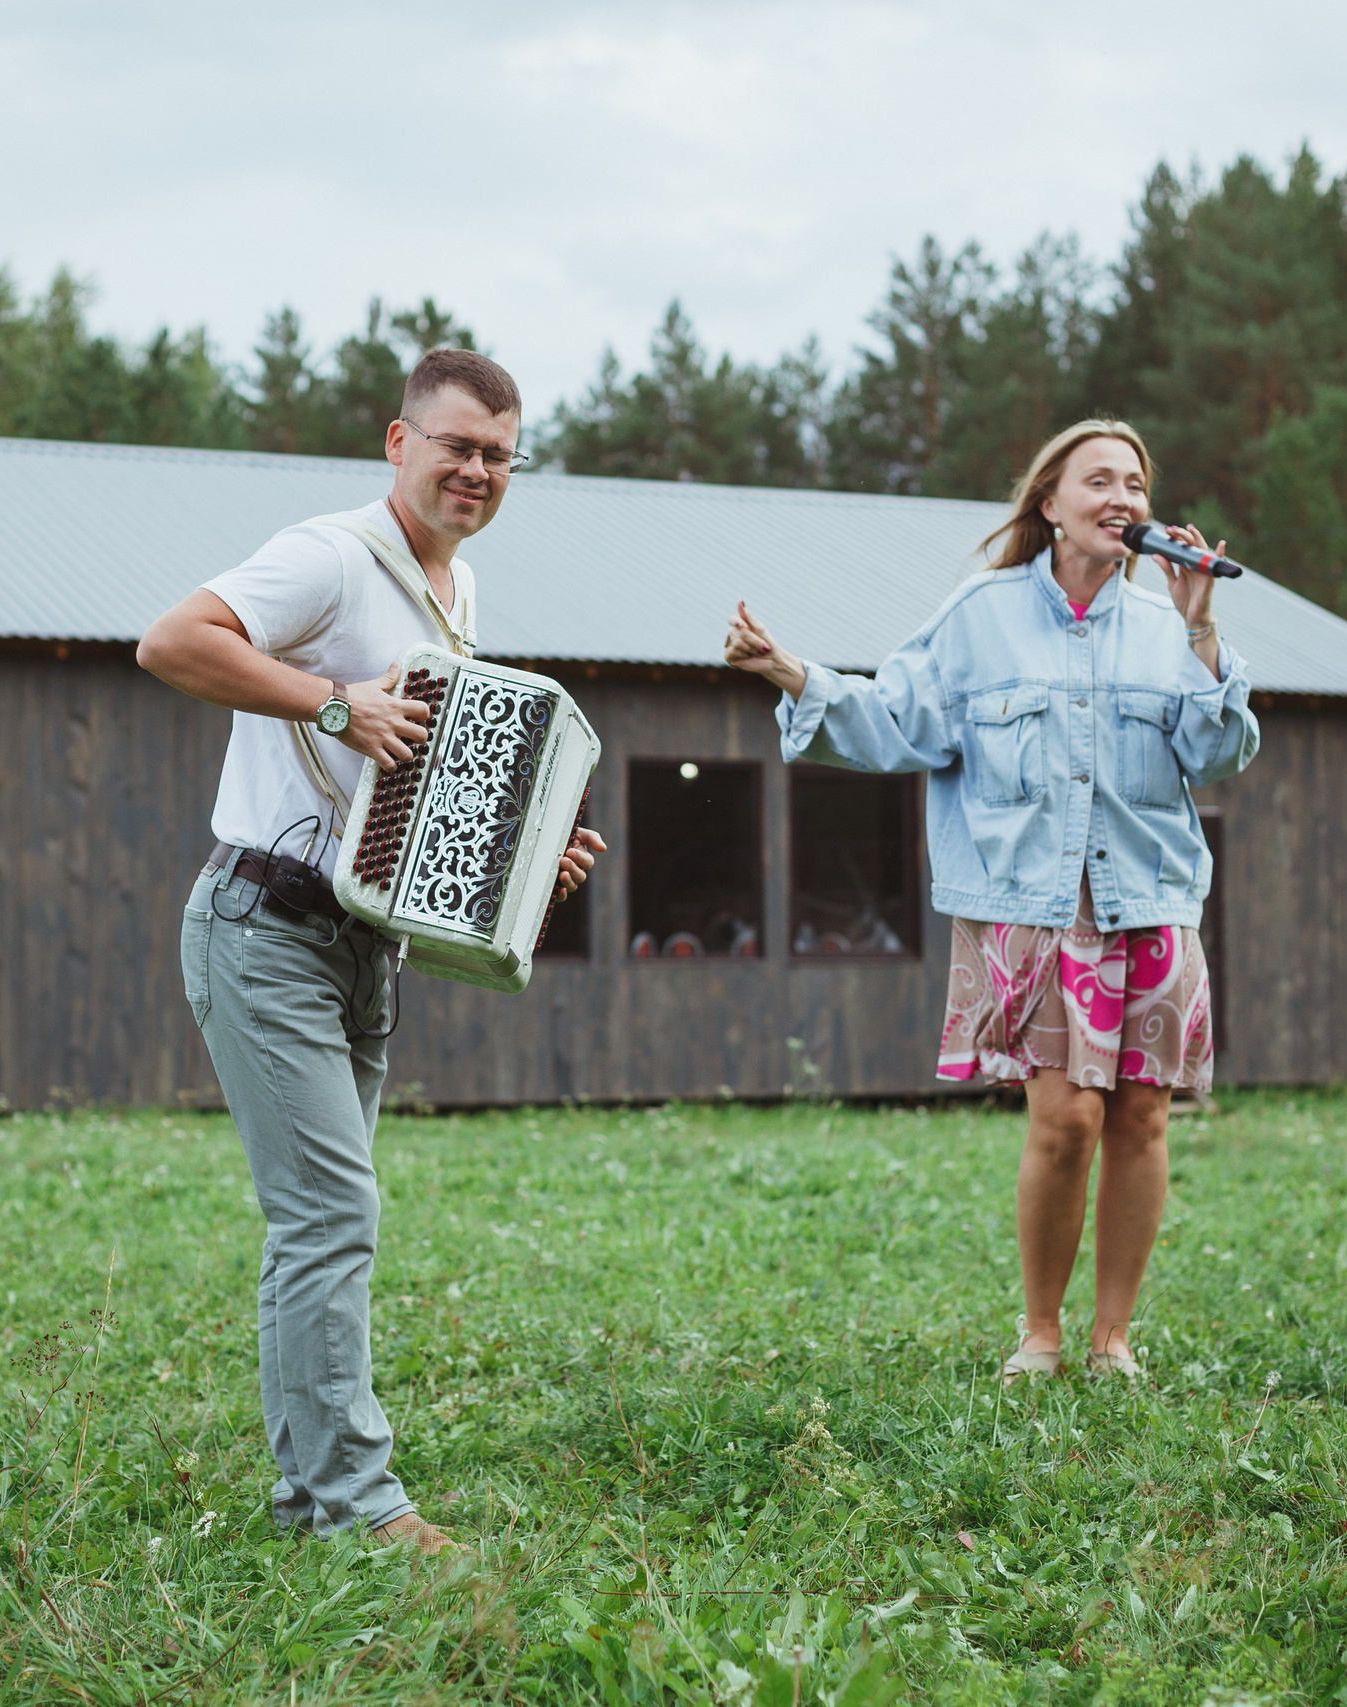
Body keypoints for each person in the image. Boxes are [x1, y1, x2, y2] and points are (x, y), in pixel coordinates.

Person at [136, 348, 604, 1551]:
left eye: (498, 454)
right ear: (400, 443)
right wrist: (331, 700)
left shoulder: (456, 596)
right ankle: (358, 1505)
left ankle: (309, 1501)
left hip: (360, 944)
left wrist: (527, 854)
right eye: (455, 445)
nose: (477, 470)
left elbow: (415, 791)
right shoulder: (334, 555)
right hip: (262, 924)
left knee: (316, 1223)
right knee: (331, 1215)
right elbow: (172, 642)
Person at [724, 420, 1258, 1382]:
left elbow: (1219, 754)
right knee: (1067, 1119)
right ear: (1050, 503)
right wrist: (791, 672)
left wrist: (1202, 625)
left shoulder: (1169, 626)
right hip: (1034, 907)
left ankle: (1113, 1341)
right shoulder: (981, 614)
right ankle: (1042, 1334)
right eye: (1100, 480)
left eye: (1136, 483)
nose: (1123, 499)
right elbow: (896, 722)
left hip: (1152, 902)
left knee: (1142, 1116)